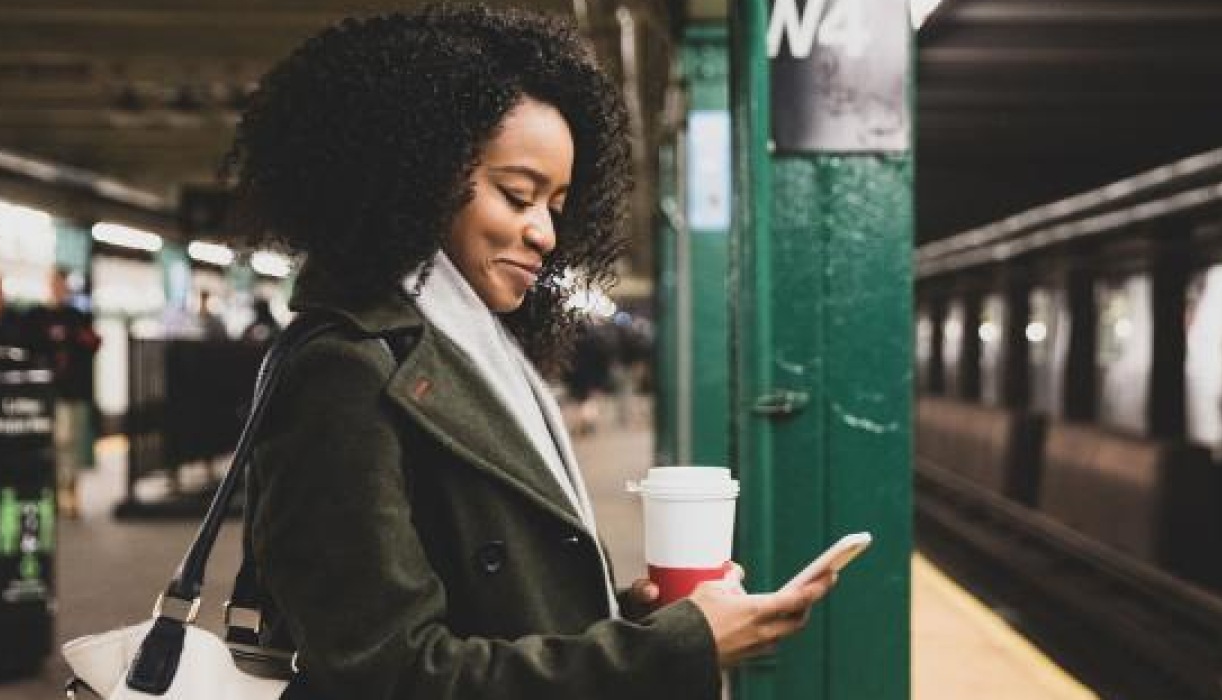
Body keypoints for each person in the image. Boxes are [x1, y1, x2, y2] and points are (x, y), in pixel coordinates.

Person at [228, 6, 833, 698]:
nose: (544, 233)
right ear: (418, 177)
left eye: (557, 205)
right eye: (518, 196)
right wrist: (675, 649)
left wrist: (632, 622)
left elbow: (497, 605)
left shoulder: (476, 349)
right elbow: (392, 676)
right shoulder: (342, 372)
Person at [27, 268, 101, 518]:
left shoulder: (78, 316)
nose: (56, 289)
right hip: (45, 392)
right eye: (52, 284)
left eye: (60, 284)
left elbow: (93, 344)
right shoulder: (35, 317)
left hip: (72, 391)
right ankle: (54, 492)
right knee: (52, 444)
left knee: (70, 442)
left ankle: (70, 491)